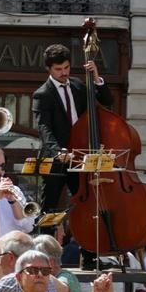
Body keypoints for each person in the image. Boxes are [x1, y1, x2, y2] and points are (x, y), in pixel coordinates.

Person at [32, 44, 113, 211]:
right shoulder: (42, 94)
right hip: (57, 159)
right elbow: (44, 128)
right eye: (58, 69)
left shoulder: (78, 86)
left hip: (80, 157)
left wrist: (96, 78)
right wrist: (58, 151)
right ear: (49, 69)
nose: (64, 72)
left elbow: (107, 101)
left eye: (67, 67)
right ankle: (45, 237)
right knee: (49, 208)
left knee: (87, 203)